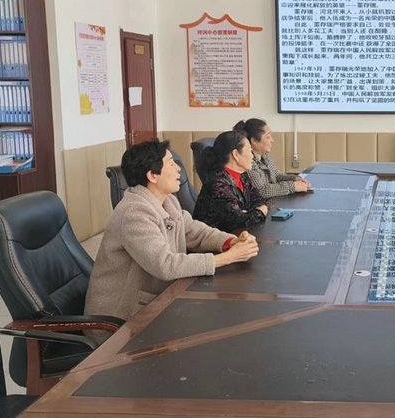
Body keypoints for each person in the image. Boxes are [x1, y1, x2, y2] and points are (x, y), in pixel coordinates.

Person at [85, 139, 259, 334]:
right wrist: (228, 258)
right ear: (152, 175)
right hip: (121, 323)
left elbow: (194, 231)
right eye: (171, 163)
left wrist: (231, 241)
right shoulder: (134, 213)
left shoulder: (167, 201)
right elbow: (165, 265)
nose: (179, 169)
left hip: (156, 302)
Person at [193, 128, 268, 232]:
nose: (252, 156)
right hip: (213, 240)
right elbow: (239, 222)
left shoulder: (242, 176)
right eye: (250, 151)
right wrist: (260, 212)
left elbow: (258, 199)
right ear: (236, 154)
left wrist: (249, 213)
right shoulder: (218, 184)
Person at [242, 118, 312, 199]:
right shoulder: (248, 162)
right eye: (268, 137)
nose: (272, 140)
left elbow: (277, 176)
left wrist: (296, 179)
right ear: (254, 140)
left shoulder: (264, 156)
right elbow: (261, 191)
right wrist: (293, 186)